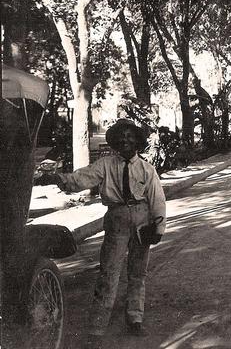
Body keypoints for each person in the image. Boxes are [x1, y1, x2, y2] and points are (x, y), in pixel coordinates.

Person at [47, 119, 166, 346]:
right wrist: (60, 179)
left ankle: (135, 319)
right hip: (116, 219)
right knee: (109, 272)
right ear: (115, 140)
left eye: (131, 136)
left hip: (142, 221)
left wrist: (158, 228)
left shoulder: (146, 169)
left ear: (138, 141)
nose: (126, 140)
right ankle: (97, 328)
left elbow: (157, 200)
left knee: (138, 272)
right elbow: (83, 177)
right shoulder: (106, 164)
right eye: (122, 136)